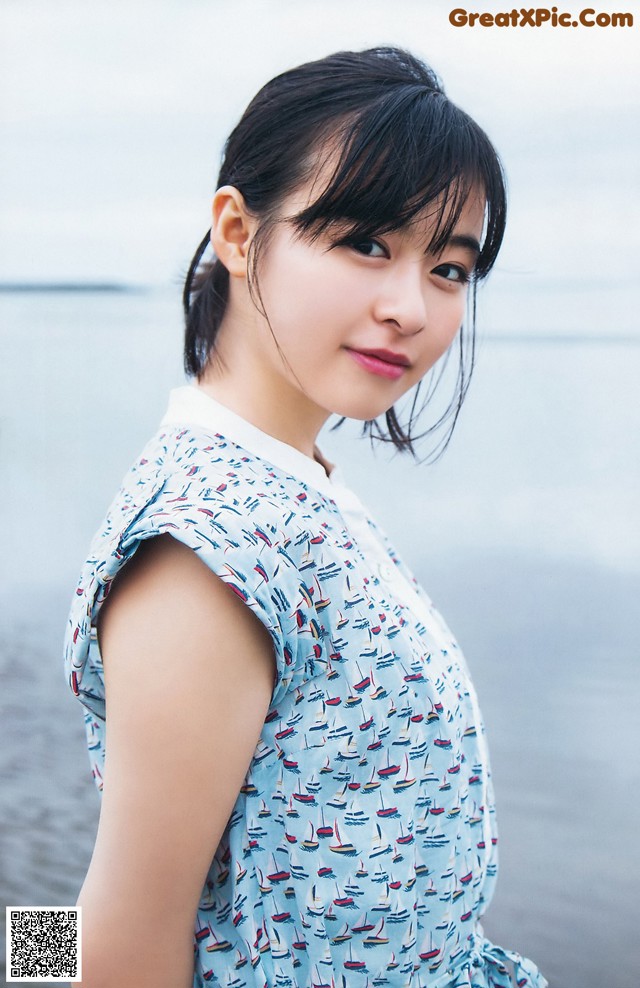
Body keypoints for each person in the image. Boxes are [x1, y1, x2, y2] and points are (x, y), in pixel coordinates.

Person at [64, 46, 547, 988]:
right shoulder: (206, 549)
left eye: (450, 268)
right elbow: (119, 934)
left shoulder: (290, 483)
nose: (409, 306)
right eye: (367, 242)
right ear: (239, 234)